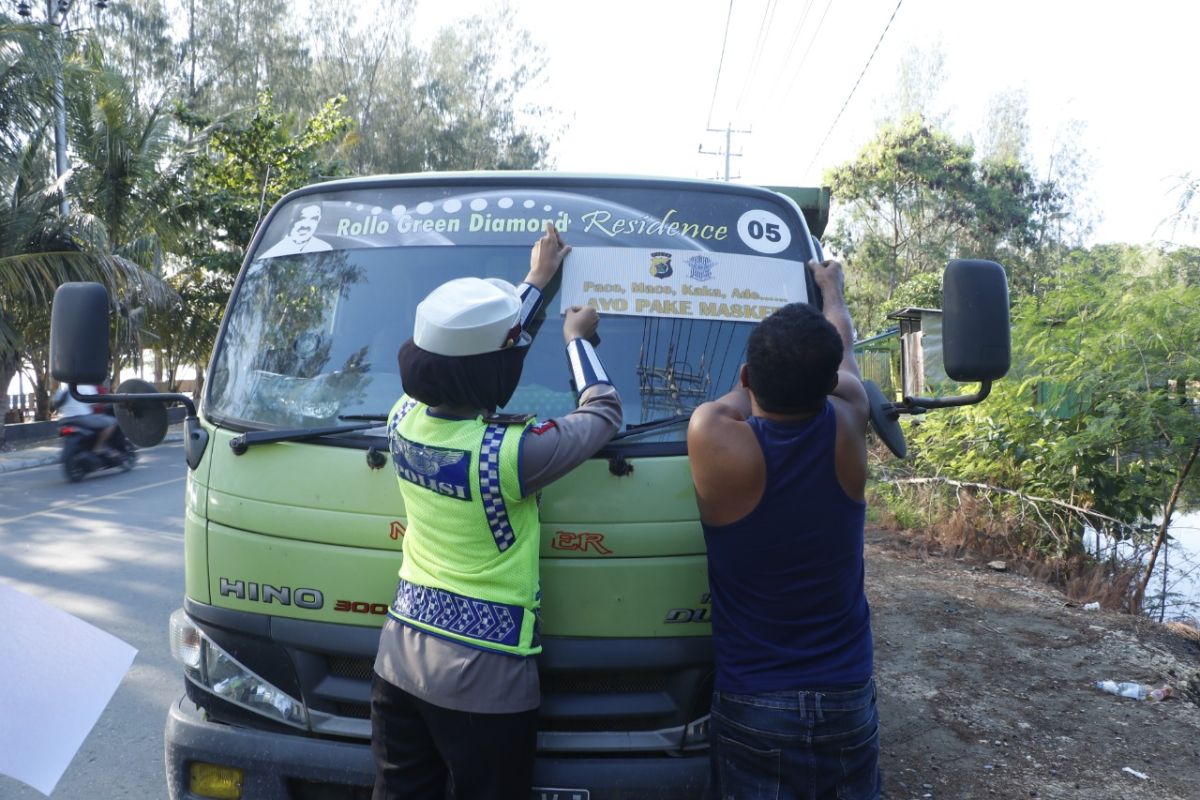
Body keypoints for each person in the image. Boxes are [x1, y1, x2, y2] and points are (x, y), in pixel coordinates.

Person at [371, 223, 622, 800]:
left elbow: (464, 356)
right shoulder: (512, 453)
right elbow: (604, 412)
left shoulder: (401, 417)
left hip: (399, 659)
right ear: (498, 373)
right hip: (484, 683)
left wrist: (535, 280)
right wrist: (577, 340)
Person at [686, 258, 879, 799]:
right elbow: (843, 346)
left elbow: (728, 402)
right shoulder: (849, 420)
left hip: (756, 696)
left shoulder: (715, 439)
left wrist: (758, 372)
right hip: (845, 692)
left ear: (747, 379)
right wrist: (831, 289)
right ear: (831, 381)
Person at [52, 382, 118, 454]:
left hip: (65, 420)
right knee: (112, 422)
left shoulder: (63, 388)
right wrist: (106, 404)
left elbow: (55, 403)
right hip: (82, 417)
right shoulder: (86, 386)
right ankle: (98, 448)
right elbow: (94, 403)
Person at [259, 202, 332, 258]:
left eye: (314, 219)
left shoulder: (324, 248)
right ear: (291, 220)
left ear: (319, 220)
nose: (306, 225)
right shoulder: (274, 253)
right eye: (302, 218)